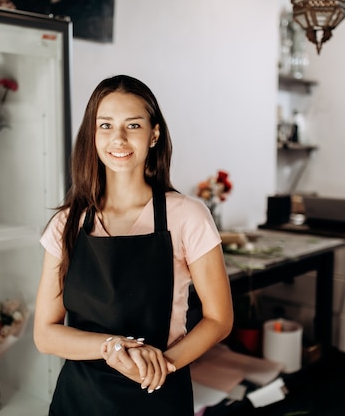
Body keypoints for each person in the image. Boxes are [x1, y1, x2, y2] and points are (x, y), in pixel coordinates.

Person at [34, 74, 234, 415]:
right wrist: (113, 347)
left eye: (134, 125)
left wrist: (162, 365)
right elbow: (46, 334)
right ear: (92, 135)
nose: (119, 138)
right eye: (106, 125)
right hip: (81, 398)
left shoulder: (188, 215)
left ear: (154, 134)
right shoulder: (67, 223)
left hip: (158, 393)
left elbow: (219, 319)